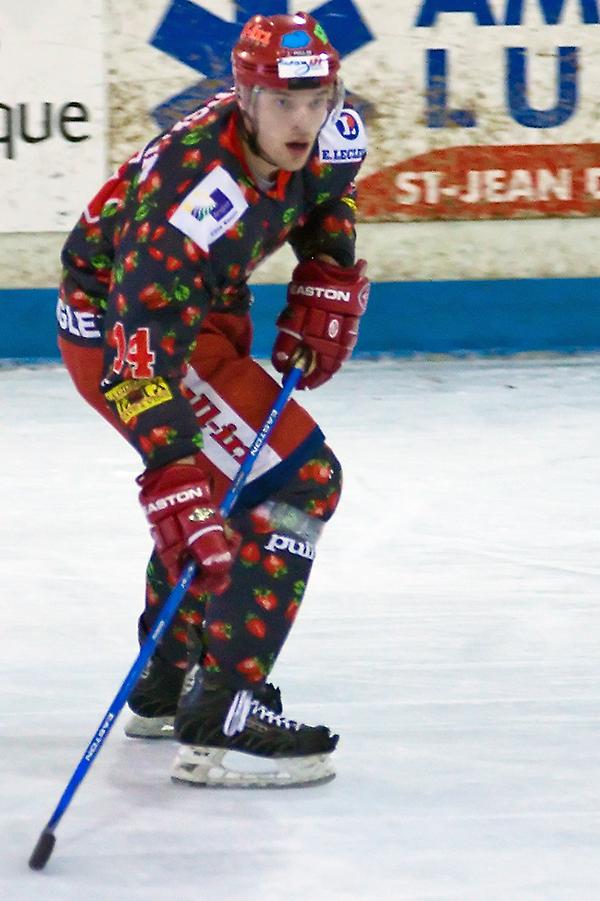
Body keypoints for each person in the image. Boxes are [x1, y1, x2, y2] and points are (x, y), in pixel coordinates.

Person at [57, 10, 369, 788]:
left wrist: (323, 272)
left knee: (235, 495)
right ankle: (222, 715)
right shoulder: (193, 195)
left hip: (202, 315)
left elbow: (327, 190)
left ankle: (166, 682)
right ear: (243, 97)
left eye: (319, 98)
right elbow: (140, 350)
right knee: (300, 481)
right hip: (131, 339)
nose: (305, 122)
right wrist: (172, 469)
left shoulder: (329, 132)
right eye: (283, 103)